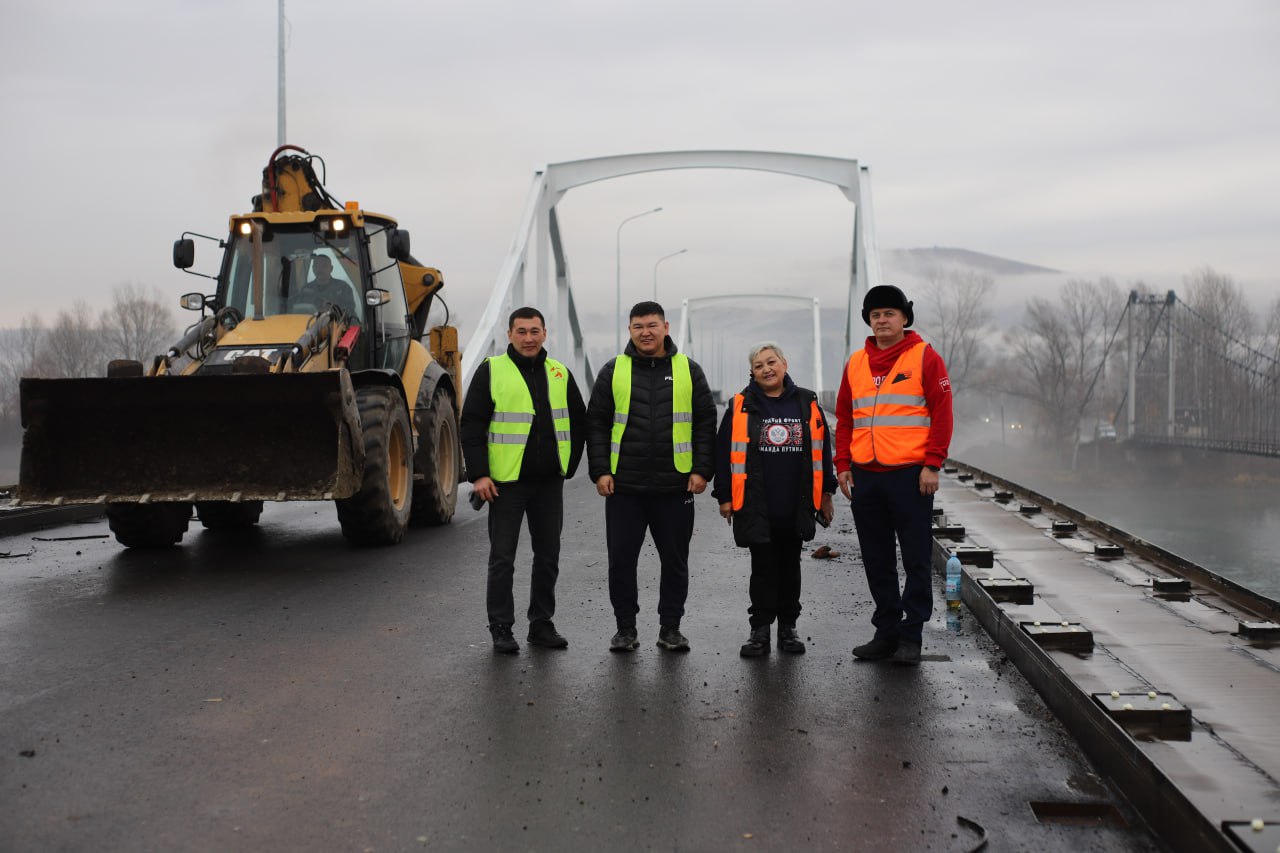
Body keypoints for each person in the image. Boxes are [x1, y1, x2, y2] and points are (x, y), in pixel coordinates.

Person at [586, 301, 717, 653]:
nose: (646, 332)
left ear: (666, 327)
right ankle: (625, 630)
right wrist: (599, 471)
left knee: (675, 562)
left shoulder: (689, 370)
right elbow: (596, 423)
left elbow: (706, 422)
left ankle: (670, 629)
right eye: (638, 326)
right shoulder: (613, 370)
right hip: (624, 487)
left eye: (652, 325)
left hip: (675, 486)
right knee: (621, 562)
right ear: (629, 330)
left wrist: (703, 469)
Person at [836, 284, 953, 666]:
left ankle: (911, 635)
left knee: (916, 558)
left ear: (905, 318)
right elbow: (845, 419)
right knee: (876, 557)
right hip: (866, 477)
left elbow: (942, 413)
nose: (882, 320)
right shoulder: (855, 363)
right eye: (875, 315)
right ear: (868, 321)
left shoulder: (924, 358)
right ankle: (885, 632)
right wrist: (842, 465)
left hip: (909, 476)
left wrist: (932, 464)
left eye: (889, 313)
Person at [460, 306, 586, 654]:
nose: (528, 338)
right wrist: (479, 475)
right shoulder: (492, 371)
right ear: (509, 335)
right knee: (503, 559)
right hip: (505, 484)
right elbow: (471, 425)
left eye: (534, 331)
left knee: (548, 556)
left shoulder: (560, 373)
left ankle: (541, 625)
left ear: (545, 333)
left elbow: (579, 422)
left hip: (549, 483)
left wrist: (569, 466)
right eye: (521, 331)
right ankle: (501, 628)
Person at [712, 343, 835, 657]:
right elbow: (723, 453)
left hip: (797, 502)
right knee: (763, 567)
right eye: (758, 366)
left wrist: (826, 494)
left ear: (784, 363)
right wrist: (724, 496)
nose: (766, 369)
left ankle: (788, 629)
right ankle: (760, 631)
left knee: (790, 567)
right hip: (756, 503)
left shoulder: (806, 402)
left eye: (771, 362)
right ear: (752, 372)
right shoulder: (740, 405)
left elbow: (822, 451)